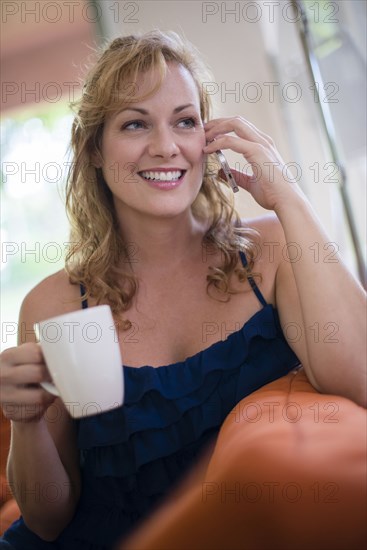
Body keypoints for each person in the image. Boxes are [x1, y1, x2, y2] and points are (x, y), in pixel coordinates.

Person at [0, 30, 365, 550]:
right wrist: (26, 421)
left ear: (209, 137)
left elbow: (362, 378)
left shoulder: (271, 249)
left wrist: (287, 194)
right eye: (134, 123)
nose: (167, 147)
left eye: (185, 121)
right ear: (95, 151)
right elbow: (47, 520)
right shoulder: (53, 304)